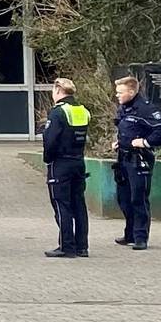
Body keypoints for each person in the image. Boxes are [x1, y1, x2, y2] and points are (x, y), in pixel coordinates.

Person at [112, 75, 161, 250]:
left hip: (139, 159)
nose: (117, 95)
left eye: (120, 92)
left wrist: (145, 142)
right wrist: (119, 142)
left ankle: (141, 237)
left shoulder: (146, 109)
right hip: (123, 158)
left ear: (132, 92)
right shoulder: (124, 108)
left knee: (138, 199)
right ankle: (130, 233)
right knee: (123, 198)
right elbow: (125, 128)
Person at [41, 77, 93, 259]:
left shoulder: (57, 113)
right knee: (79, 205)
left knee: (61, 204)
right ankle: (82, 246)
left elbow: (50, 140)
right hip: (78, 161)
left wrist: (47, 159)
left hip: (60, 163)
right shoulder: (83, 110)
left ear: (57, 91)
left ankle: (66, 246)